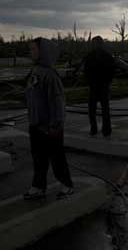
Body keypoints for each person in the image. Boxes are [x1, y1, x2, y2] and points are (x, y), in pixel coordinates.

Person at [24, 37, 74, 200]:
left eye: (33, 49)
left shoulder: (51, 75)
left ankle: (67, 185)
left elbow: (57, 101)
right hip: (35, 125)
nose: (30, 52)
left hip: (50, 127)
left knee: (57, 158)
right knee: (39, 159)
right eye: (30, 49)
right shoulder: (34, 71)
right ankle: (38, 186)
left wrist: (56, 125)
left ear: (43, 51)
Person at [83, 36, 115, 137]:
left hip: (100, 86)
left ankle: (100, 129)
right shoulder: (92, 56)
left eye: (95, 43)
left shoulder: (103, 56)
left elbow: (111, 71)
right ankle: (101, 130)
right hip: (98, 86)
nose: (94, 45)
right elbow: (86, 71)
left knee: (99, 110)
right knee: (100, 110)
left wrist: (106, 82)